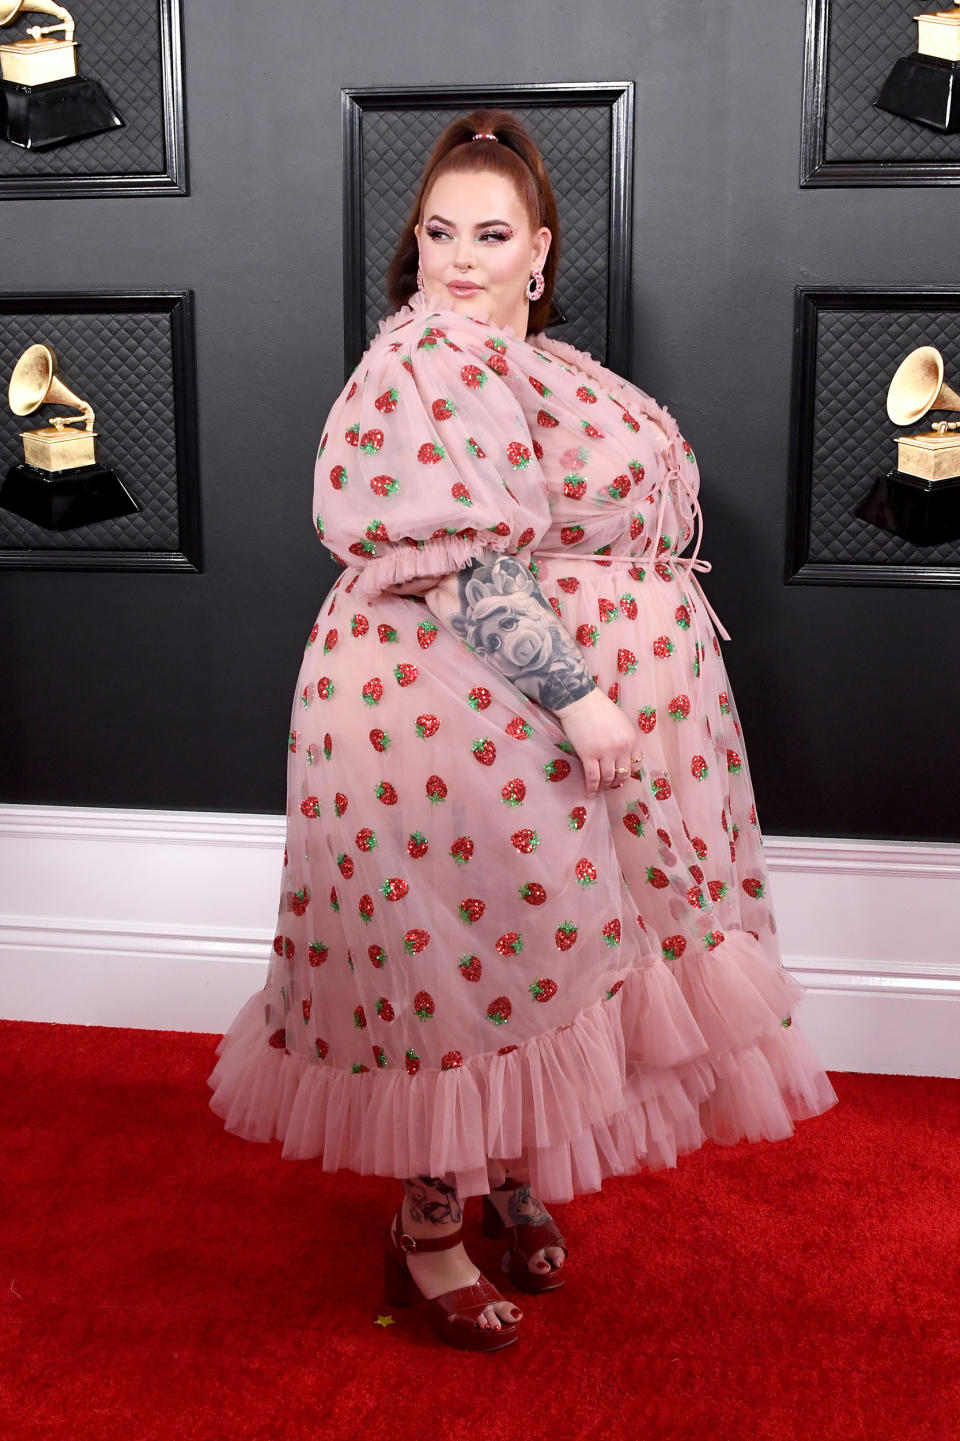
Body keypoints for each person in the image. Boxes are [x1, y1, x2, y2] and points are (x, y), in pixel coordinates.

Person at [207, 108, 839, 1353]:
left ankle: (506, 1174)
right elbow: (459, 563)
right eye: (439, 231)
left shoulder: (551, 367)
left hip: (530, 714)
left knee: (539, 949)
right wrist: (583, 694)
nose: (461, 257)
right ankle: (427, 1225)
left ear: (538, 249)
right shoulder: (425, 359)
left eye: (490, 233)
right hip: (458, 703)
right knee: (460, 961)